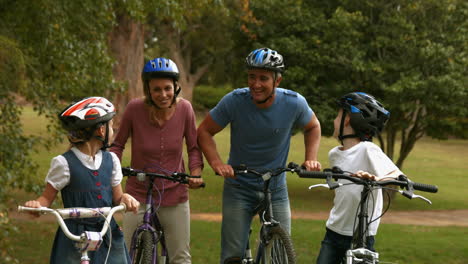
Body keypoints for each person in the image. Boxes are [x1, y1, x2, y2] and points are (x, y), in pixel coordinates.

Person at [197, 47, 322, 263]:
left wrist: (310, 157)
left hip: (276, 188)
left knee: (280, 255)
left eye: (263, 78)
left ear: (277, 81)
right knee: (233, 255)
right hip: (239, 187)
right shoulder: (234, 101)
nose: (256, 84)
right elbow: (204, 131)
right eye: (251, 77)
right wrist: (216, 162)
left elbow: (313, 126)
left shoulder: (294, 103)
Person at [23, 96, 140, 264]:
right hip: (75, 238)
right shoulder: (64, 164)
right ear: (101, 130)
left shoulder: (111, 160)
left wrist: (126, 198)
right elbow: (46, 199)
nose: (113, 130)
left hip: (106, 233)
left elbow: (117, 198)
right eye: (111, 126)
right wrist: (36, 206)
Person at [110, 57, 204, 263]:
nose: (163, 95)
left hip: (174, 193)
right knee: (125, 254)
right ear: (148, 91)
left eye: (167, 88)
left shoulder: (185, 109)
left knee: (180, 257)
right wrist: (113, 170)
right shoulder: (135, 109)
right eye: (157, 89)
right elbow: (117, 145)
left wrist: (195, 173)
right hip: (137, 194)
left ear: (176, 87)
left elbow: (194, 147)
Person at [316, 92, 403, 264]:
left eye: (337, 115)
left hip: (361, 234)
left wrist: (375, 179)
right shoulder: (334, 154)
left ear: (347, 119)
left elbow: (396, 175)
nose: (334, 120)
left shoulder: (367, 149)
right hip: (334, 230)